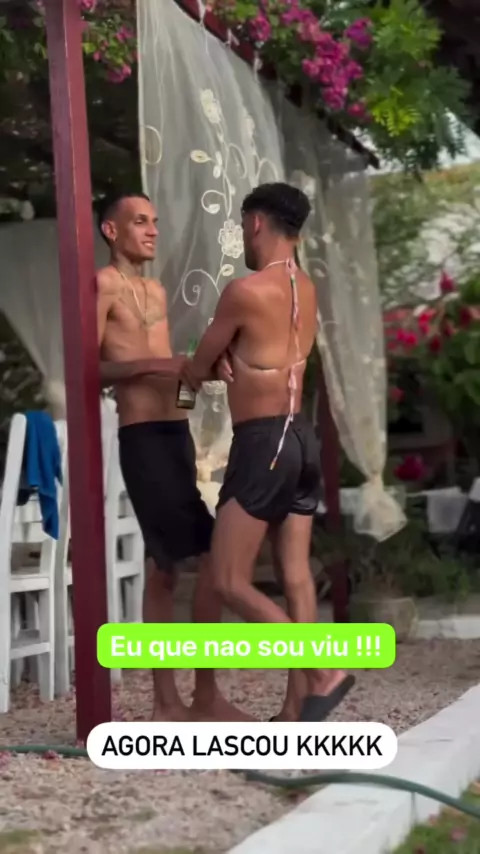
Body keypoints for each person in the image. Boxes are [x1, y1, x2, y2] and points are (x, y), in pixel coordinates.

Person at [180, 182, 354, 722]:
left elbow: (195, 370)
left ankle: (322, 671)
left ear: (256, 223)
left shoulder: (244, 292)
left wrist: (206, 363)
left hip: (264, 445)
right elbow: (264, 351)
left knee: (229, 579)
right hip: (300, 438)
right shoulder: (308, 288)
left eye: (243, 225)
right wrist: (230, 355)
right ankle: (297, 712)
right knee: (296, 576)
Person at [96, 190, 252, 723]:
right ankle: (180, 700)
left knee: (164, 569)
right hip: (141, 437)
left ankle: (187, 700)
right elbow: (90, 369)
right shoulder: (103, 285)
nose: (152, 231)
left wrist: (191, 379)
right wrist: (159, 366)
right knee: (203, 556)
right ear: (111, 230)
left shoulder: (156, 290)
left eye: (155, 221)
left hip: (175, 432)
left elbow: (172, 371)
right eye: (140, 221)